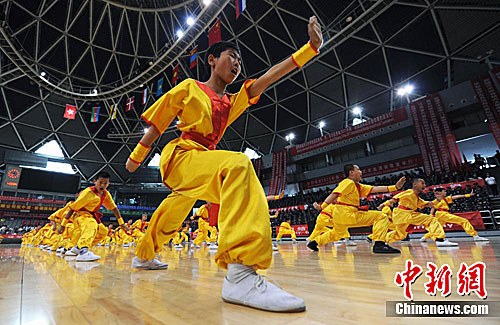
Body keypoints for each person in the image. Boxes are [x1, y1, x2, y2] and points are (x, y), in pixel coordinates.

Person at [125, 16, 324, 313]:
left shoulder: (233, 101)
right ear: (212, 59)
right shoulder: (190, 87)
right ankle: (240, 274)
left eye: (240, 62)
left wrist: (310, 48)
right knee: (239, 164)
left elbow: (268, 78)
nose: (237, 64)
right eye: (232, 57)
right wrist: (136, 157)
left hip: (203, 161)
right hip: (182, 155)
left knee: (174, 210)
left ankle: (143, 255)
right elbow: (161, 118)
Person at [307, 164, 404, 253]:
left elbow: (374, 189)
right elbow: (335, 193)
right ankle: (379, 244)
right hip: (348, 214)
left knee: (336, 233)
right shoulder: (348, 182)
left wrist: (395, 187)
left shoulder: (357, 186)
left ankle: (314, 242)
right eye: (358, 169)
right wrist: (322, 206)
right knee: (381, 216)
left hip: (340, 215)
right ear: (351, 173)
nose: (361, 172)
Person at [59, 172, 129, 261]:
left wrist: (121, 223)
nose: (103, 185)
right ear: (95, 181)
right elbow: (73, 208)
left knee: (103, 231)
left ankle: (78, 248)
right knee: (91, 224)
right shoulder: (88, 192)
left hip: (91, 216)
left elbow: (114, 208)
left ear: (108, 183)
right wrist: (63, 224)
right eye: (100, 182)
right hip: (81, 215)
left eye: (105, 183)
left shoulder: (106, 194)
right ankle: (83, 251)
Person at [381, 179, 457, 246]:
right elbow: (395, 199)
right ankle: (440, 240)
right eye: (422, 183)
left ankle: (382, 240)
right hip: (405, 214)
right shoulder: (409, 192)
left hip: (401, 215)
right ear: (415, 184)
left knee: (400, 234)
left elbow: (427, 204)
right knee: (431, 219)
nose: (425, 185)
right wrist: (383, 204)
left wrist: (438, 200)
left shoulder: (417, 198)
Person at [420, 188, 488, 242]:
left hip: (441, 215)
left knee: (438, 228)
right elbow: (433, 208)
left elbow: (456, 197)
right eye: (444, 191)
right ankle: (475, 236)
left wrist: (467, 195)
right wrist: (431, 216)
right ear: (440, 193)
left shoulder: (446, 199)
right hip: (442, 214)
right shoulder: (436, 200)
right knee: (464, 221)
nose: (446, 192)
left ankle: (425, 237)